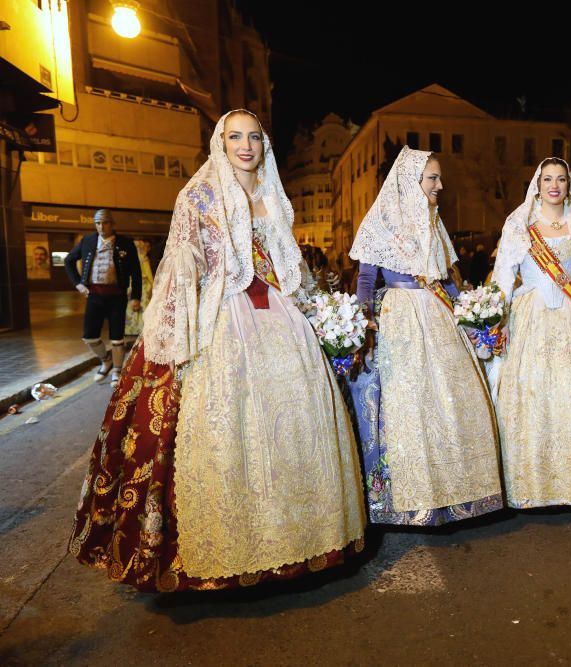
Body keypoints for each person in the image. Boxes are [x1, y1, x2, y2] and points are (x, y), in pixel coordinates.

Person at [69, 110, 366, 592]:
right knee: (229, 425)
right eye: (235, 137)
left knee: (293, 423)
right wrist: (177, 319)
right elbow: (182, 261)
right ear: (220, 143)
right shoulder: (200, 194)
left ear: (263, 145)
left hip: (280, 319)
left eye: (253, 137)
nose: (245, 145)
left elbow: (288, 266)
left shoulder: (273, 196)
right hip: (225, 318)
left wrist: (320, 310)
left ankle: (300, 538)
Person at [347, 146, 503, 526]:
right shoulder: (380, 220)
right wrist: (361, 319)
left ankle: (460, 493)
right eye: (433, 178)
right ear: (411, 180)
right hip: (400, 316)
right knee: (411, 404)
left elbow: (447, 279)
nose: (440, 184)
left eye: (438, 177)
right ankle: (415, 500)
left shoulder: (435, 219)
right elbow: (367, 278)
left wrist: (470, 313)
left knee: (452, 400)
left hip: (436, 315)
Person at [490, 157, 571, 508]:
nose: (554, 185)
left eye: (561, 179)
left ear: (569, 184)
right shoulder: (519, 225)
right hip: (529, 314)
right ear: (537, 183)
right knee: (530, 393)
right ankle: (529, 484)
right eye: (547, 178)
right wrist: (493, 318)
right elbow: (503, 279)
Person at [65, 209, 142, 386]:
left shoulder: (126, 243)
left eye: (105, 223)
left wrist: (136, 296)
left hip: (117, 296)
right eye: (98, 223)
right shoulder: (88, 240)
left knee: (117, 337)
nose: (101, 226)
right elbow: (69, 260)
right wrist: (78, 283)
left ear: (112, 224)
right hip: (94, 296)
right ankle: (106, 360)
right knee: (89, 336)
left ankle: (117, 369)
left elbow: (136, 272)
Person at [123, 239, 155, 344]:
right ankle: (142, 328)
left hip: (131, 285)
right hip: (144, 286)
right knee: (144, 307)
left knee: (130, 308)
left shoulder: (129, 258)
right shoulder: (143, 258)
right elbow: (148, 273)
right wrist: (154, 284)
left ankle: (130, 329)